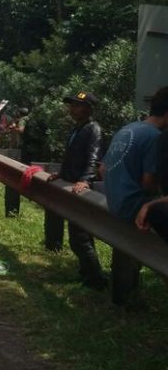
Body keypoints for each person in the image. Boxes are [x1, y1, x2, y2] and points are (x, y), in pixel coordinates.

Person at [100, 86, 168, 304]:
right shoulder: (156, 138)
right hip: (135, 205)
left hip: (115, 203)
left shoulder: (128, 129)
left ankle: (124, 296)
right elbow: (148, 183)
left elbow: (102, 169)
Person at [46, 91, 107, 290]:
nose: (72, 108)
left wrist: (85, 180)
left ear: (89, 108)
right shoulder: (77, 129)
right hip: (69, 185)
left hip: (80, 189)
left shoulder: (93, 129)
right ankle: (86, 273)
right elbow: (71, 157)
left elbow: (93, 158)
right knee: (81, 237)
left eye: (77, 105)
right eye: (71, 105)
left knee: (79, 238)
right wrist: (61, 174)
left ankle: (96, 280)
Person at [4, 107, 29, 217]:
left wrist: (14, 128)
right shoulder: (29, 119)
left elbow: (21, 130)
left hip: (20, 148)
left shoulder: (22, 120)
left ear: (19, 113)